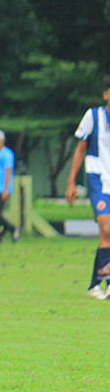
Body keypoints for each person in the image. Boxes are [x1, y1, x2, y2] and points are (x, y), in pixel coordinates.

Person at [66, 77, 110, 299]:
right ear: (106, 94)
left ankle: (96, 284)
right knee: (107, 227)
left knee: (106, 235)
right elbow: (80, 148)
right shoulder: (93, 116)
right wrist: (71, 181)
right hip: (98, 180)